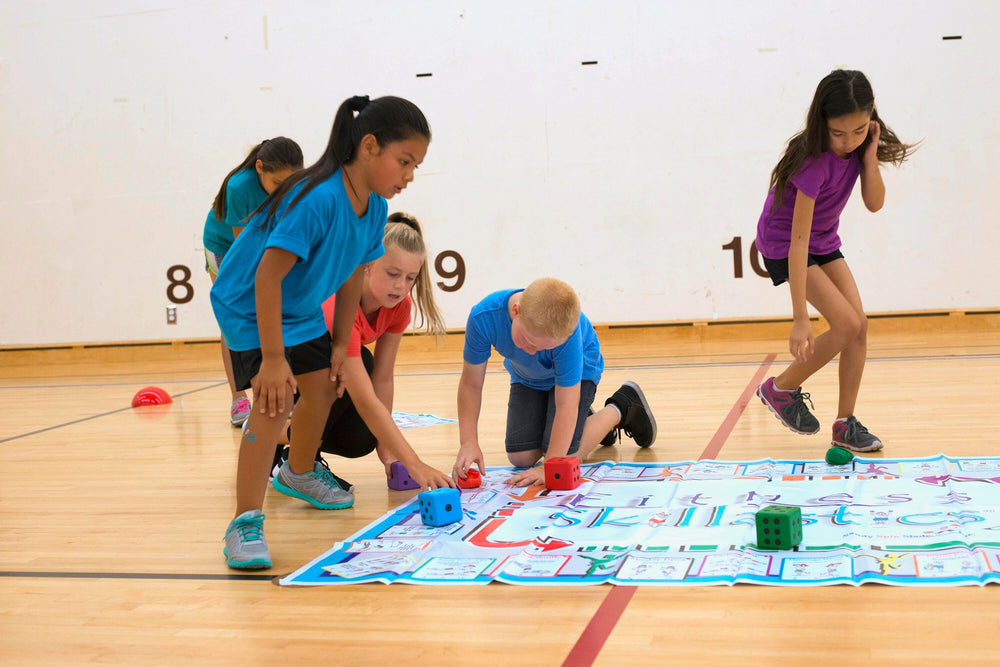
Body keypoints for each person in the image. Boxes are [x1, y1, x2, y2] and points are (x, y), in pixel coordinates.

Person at [211, 95, 433, 570]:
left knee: (324, 387)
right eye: (405, 161)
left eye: (416, 165)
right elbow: (266, 278)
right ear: (369, 147)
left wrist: (337, 344)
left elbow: (352, 274)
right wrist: (274, 361)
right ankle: (244, 521)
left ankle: (298, 471)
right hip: (249, 306)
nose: (410, 175)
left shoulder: (375, 209)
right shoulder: (316, 198)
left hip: (301, 307)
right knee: (273, 403)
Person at [754, 69, 916, 452]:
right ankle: (780, 388)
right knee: (846, 325)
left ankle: (845, 424)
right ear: (821, 121)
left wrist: (869, 157)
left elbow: (874, 204)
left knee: (859, 327)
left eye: (858, 131)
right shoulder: (814, 161)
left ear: (871, 115)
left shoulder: (860, 147)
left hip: (823, 239)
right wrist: (800, 319)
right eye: (838, 133)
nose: (848, 141)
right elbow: (797, 243)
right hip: (785, 243)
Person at [269, 213, 456, 491]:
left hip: (316, 374)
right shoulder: (339, 301)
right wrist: (416, 464)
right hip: (283, 367)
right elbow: (365, 399)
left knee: (362, 439)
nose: (401, 286)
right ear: (367, 265)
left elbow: (383, 378)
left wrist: (388, 451)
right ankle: (287, 449)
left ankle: (284, 443)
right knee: (359, 364)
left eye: (410, 278)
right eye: (392, 274)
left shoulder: (400, 306)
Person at [453, 278, 657, 488]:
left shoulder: (569, 336)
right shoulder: (483, 318)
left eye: (544, 348)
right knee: (520, 458)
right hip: (528, 377)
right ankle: (581, 419)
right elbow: (471, 384)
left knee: (565, 458)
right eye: (528, 342)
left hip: (578, 376)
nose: (533, 352)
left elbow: (566, 404)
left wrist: (548, 467)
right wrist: (468, 442)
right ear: (516, 311)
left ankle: (622, 406)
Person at [203, 138, 303, 426]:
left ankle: (282, 390)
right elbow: (243, 248)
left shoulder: (296, 186)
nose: (283, 189)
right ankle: (238, 398)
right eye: (277, 182)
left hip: (263, 245)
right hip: (226, 247)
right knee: (234, 318)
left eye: (290, 183)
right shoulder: (239, 187)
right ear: (259, 168)